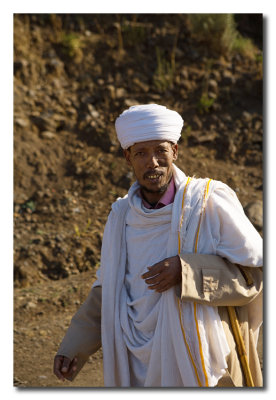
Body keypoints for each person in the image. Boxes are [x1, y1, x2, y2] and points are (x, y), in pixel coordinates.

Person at [53, 104, 263, 387]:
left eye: (160, 151)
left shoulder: (208, 203)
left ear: (174, 152)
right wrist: (72, 347)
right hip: (136, 367)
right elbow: (109, 291)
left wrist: (186, 271)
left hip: (204, 369)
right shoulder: (121, 217)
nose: (152, 162)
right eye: (141, 153)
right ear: (128, 157)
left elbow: (254, 277)